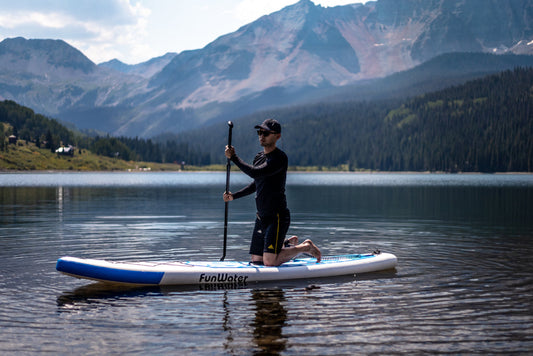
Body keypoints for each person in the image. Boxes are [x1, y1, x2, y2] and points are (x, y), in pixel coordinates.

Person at [223, 118, 321, 266]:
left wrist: (234, 158)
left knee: (269, 262)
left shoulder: (279, 158)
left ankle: (305, 247)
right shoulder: (259, 157)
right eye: (260, 132)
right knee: (256, 261)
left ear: (277, 136)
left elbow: (254, 173)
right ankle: (285, 244)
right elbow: (256, 183)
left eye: (266, 133)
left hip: (277, 217)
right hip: (261, 217)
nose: (261, 136)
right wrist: (233, 196)